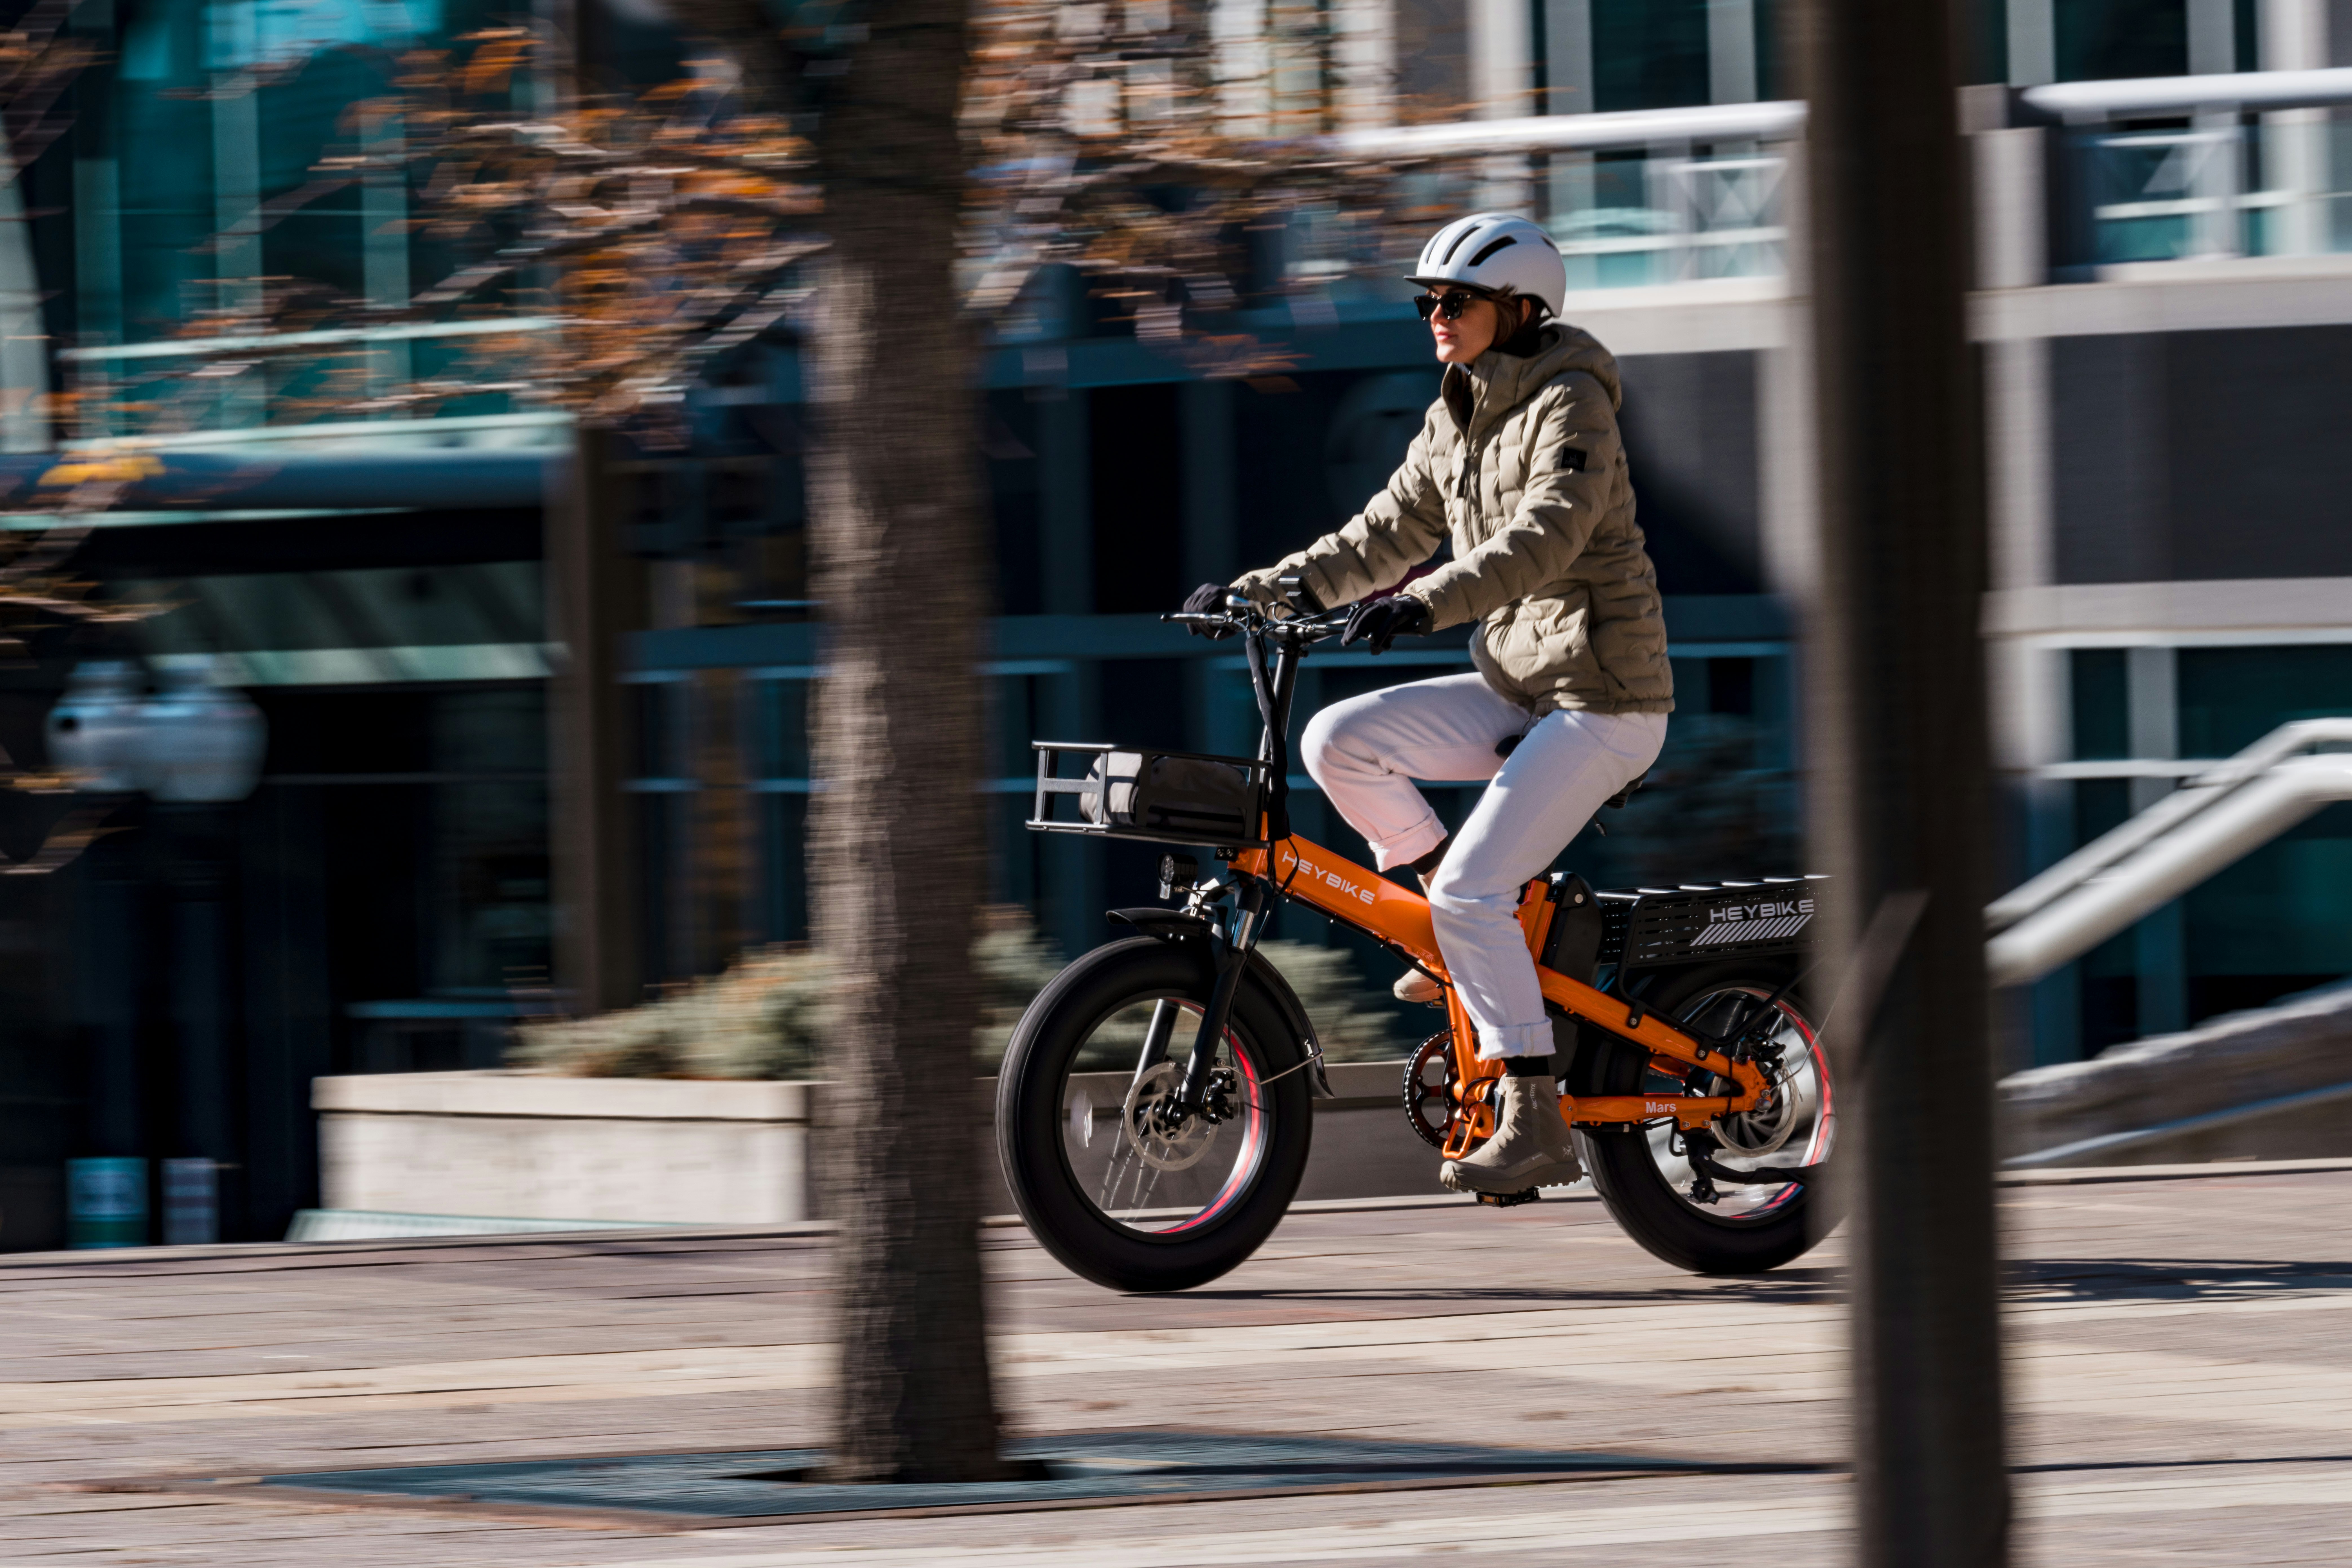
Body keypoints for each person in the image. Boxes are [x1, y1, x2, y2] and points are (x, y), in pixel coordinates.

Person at [1181, 212, 1673, 1198]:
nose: (1434, 316)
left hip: (1605, 702)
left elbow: (1546, 537)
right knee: (1340, 739)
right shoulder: (1455, 416)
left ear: (1520, 309)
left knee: (1467, 894)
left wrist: (1423, 603)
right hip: (1520, 686)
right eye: (1427, 302)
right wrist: (1263, 591)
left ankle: (1533, 1115)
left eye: (1456, 302)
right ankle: (1467, 940)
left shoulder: (1573, 407)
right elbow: (1382, 531)